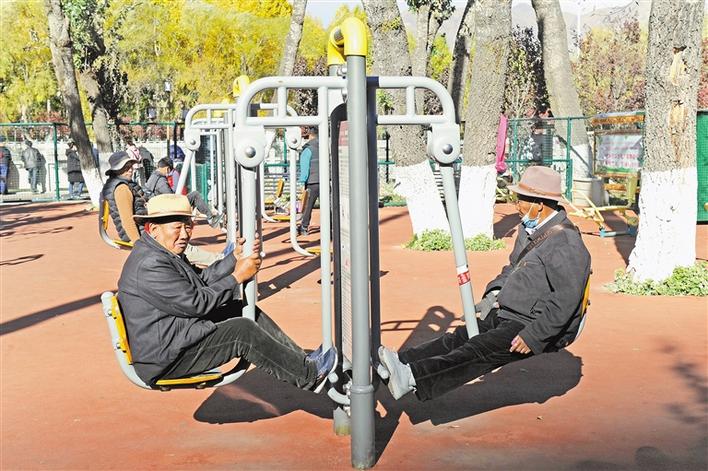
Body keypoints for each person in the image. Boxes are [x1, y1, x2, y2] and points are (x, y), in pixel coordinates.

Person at [378, 166, 591, 401]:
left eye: (519, 199)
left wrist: (534, 336)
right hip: (511, 311)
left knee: (479, 350)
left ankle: (411, 377)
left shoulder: (566, 242)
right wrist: (494, 293)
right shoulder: (530, 228)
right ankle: (402, 361)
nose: (516, 205)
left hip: (533, 323)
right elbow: (513, 267)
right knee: (461, 336)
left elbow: (566, 300)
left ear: (539, 204)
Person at [117, 193, 337, 391]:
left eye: (188, 226)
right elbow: (196, 303)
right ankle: (309, 376)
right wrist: (237, 277)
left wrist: (233, 259)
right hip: (166, 357)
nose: (185, 234)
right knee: (243, 332)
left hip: (173, 337)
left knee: (238, 308)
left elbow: (199, 281)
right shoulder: (151, 264)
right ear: (153, 229)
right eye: (177, 227)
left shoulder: (161, 252)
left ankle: (301, 361)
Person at [101, 151, 220, 266]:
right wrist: (139, 245)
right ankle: (219, 260)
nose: (130, 169)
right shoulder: (121, 189)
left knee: (176, 237)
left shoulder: (122, 184)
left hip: (147, 226)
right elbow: (127, 220)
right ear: (116, 170)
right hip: (144, 233)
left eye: (131, 165)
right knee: (176, 241)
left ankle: (214, 260)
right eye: (126, 167)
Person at [145, 157, 222, 228]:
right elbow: (170, 196)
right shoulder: (161, 180)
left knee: (191, 197)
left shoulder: (153, 177)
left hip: (159, 205)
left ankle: (203, 217)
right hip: (167, 207)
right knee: (195, 195)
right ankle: (211, 219)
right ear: (167, 169)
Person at [297, 126, 319, 236]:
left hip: (312, 182)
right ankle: (331, 227)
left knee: (307, 206)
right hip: (325, 181)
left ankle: (304, 227)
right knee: (329, 206)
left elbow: (305, 168)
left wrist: (302, 182)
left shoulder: (307, 149)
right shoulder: (324, 146)